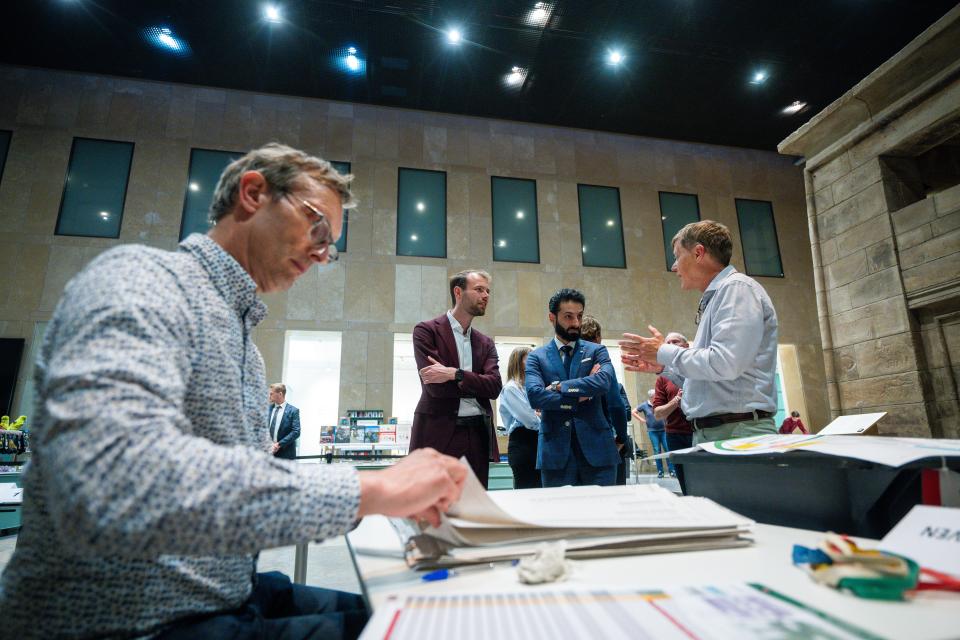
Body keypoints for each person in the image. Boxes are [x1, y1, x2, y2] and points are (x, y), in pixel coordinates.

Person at [0, 143, 467, 640]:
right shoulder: (139, 282)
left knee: (442, 615)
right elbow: (113, 484)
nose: (321, 252)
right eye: (318, 227)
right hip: (128, 621)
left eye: (330, 244)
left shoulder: (246, 346)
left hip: (226, 593)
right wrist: (369, 490)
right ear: (253, 193)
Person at [620, 220, 779, 444]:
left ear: (698, 253)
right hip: (719, 430)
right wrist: (665, 367)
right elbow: (713, 380)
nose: (674, 266)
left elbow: (725, 363)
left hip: (738, 432)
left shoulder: (737, 289)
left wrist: (664, 351)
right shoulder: (719, 296)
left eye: (677, 256)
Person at [409, 270, 502, 488]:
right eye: (479, 289)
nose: (486, 295)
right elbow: (436, 389)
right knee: (433, 505)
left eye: (488, 290)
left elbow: (494, 387)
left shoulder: (485, 342)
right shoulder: (426, 331)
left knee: (475, 506)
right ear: (458, 292)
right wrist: (477, 382)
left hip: (478, 435)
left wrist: (455, 374)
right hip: (439, 431)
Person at [525, 289, 620, 488]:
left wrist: (559, 387)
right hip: (555, 454)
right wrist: (579, 396)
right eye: (568, 317)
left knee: (604, 515)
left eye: (579, 316)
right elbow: (535, 397)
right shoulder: (537, 357)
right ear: (552, 317)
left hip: (599, 452)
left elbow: (603, 382)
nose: (576, 323)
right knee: (560, 517)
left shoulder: (597, 350)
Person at [579, 315, 631, 485]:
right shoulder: (602, 364)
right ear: (599, 337)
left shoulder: (566, 361)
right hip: (600, 442)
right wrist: (622, 437)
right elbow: (616, 405)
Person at [498, 346, 541, 489]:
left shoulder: (531, 387)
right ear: (518, 362)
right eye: (530, 357)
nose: (535, 360)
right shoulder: (511, 388)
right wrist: (544, 418)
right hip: (523, 442)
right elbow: (530, 420)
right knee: (526, 490)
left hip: (537, 442)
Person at [652, 332, 694, 455]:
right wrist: (676, 401)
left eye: (675, 342)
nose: (671, 345)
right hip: (676, 435)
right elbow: (657, 414)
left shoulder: (697, 370)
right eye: (667, 343)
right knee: (681, 474)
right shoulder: (663, 377)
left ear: (686, 346)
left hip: (703, 430)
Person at [634, 389, 673, 478]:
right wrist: (642, 420)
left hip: (663, 430)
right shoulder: (644, 405)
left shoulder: (660, 403)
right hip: (652, 431)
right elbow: (633, 412)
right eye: (656, 396)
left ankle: (672, 470)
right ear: (652, 397)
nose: (658, 397)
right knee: (657, 450)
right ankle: (660, 471)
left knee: (667, 449)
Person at [268, 383, 301, 459]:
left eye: (271, 394)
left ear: (280, 394)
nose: (269, 396)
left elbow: (296, 432)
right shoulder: (267, 409)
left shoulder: (293, 411)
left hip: (285, 454)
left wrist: (279, 444)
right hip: (268, 453)